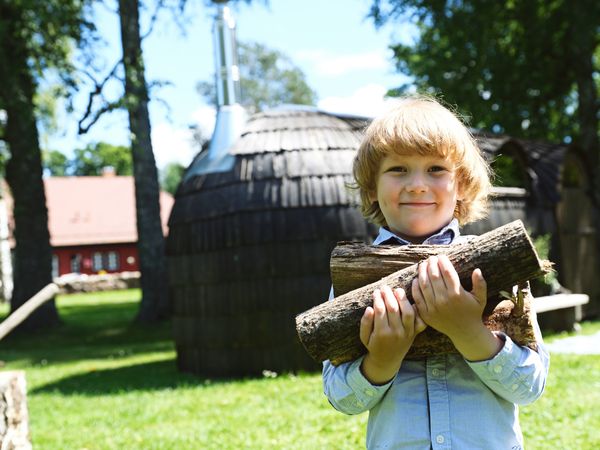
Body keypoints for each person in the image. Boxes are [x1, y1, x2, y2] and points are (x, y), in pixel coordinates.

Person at [322, 96, 549, 449]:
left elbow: (530, 386)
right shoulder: (355, 281)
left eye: (436, 169)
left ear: (461, 185)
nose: (416, 184)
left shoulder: (497, 267)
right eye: (398, 169)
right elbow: (341, 398)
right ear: (371, 187)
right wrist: (383, 358)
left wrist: (468, 331)